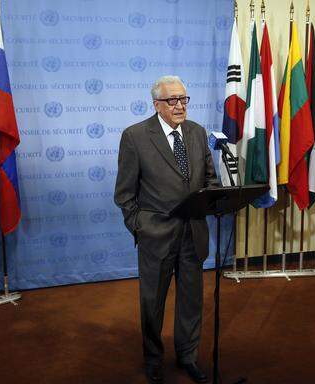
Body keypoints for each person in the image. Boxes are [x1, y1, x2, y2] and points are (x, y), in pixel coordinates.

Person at [114, 75, 219, 383]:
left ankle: (188, 356)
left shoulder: (198, 133)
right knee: (152, 302)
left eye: (184, 99)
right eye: (172, 100)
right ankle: (153, 359)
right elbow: (123, 193)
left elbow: (209, 180)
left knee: (191, 301)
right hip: (155, 236)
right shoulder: (134, 137)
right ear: (157, 104)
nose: (179, 106)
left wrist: (213, 198)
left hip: (193, 234)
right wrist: (141, 227)